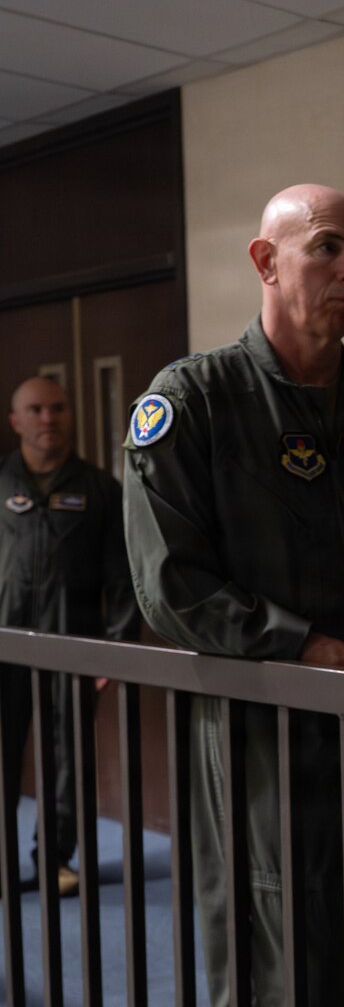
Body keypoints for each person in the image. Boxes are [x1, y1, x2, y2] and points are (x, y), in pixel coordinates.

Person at [123, 184, 344, 1006]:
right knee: (281, 954)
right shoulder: (193, 402)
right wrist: (312, 650)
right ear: (266, 261)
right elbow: (172, 587)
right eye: (327, 247)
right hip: (264, 735)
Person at [1, 376, 139, 897]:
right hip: (5, 647)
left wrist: (117, 649)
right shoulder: (1, 482)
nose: (47, 419)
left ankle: (55, 859)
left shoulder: (100, 489)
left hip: (73, 647)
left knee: (68, 761)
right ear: (16, 420)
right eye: (34, 410)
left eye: (56, 408)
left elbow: (124, 579)